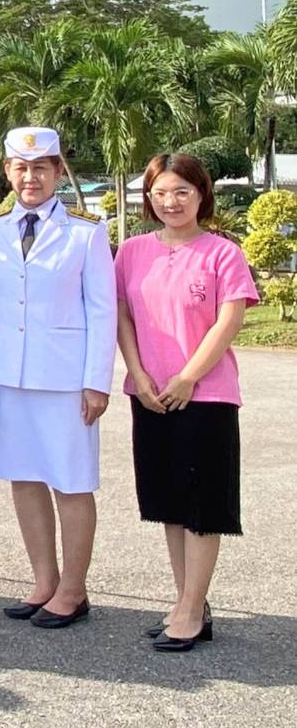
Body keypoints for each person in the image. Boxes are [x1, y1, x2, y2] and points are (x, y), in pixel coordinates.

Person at [114, 152, 258, 652]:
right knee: (170, 505)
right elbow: (122, 315)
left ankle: (193, 609)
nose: (170, 202)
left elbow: (229, 320)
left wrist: (188, 378)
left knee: (203, 506)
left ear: (201, 195)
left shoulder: (223, 253)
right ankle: (185, 600)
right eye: (159, 193)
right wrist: (137, 374)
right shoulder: (131, 251)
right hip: (149, 394)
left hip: (207, 397)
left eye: (181, 192)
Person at [0, 127, 116, 628]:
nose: (30, 177)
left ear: (58, 171)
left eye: (41, 167)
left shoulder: (86, 231)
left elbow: (102, 309)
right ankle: (43, 580)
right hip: (7, 375)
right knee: (25, 477)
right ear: (8, 170)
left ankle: (74, 590)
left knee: (72, 482)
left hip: (64, 379)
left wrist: (96, 381)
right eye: (21, 167)